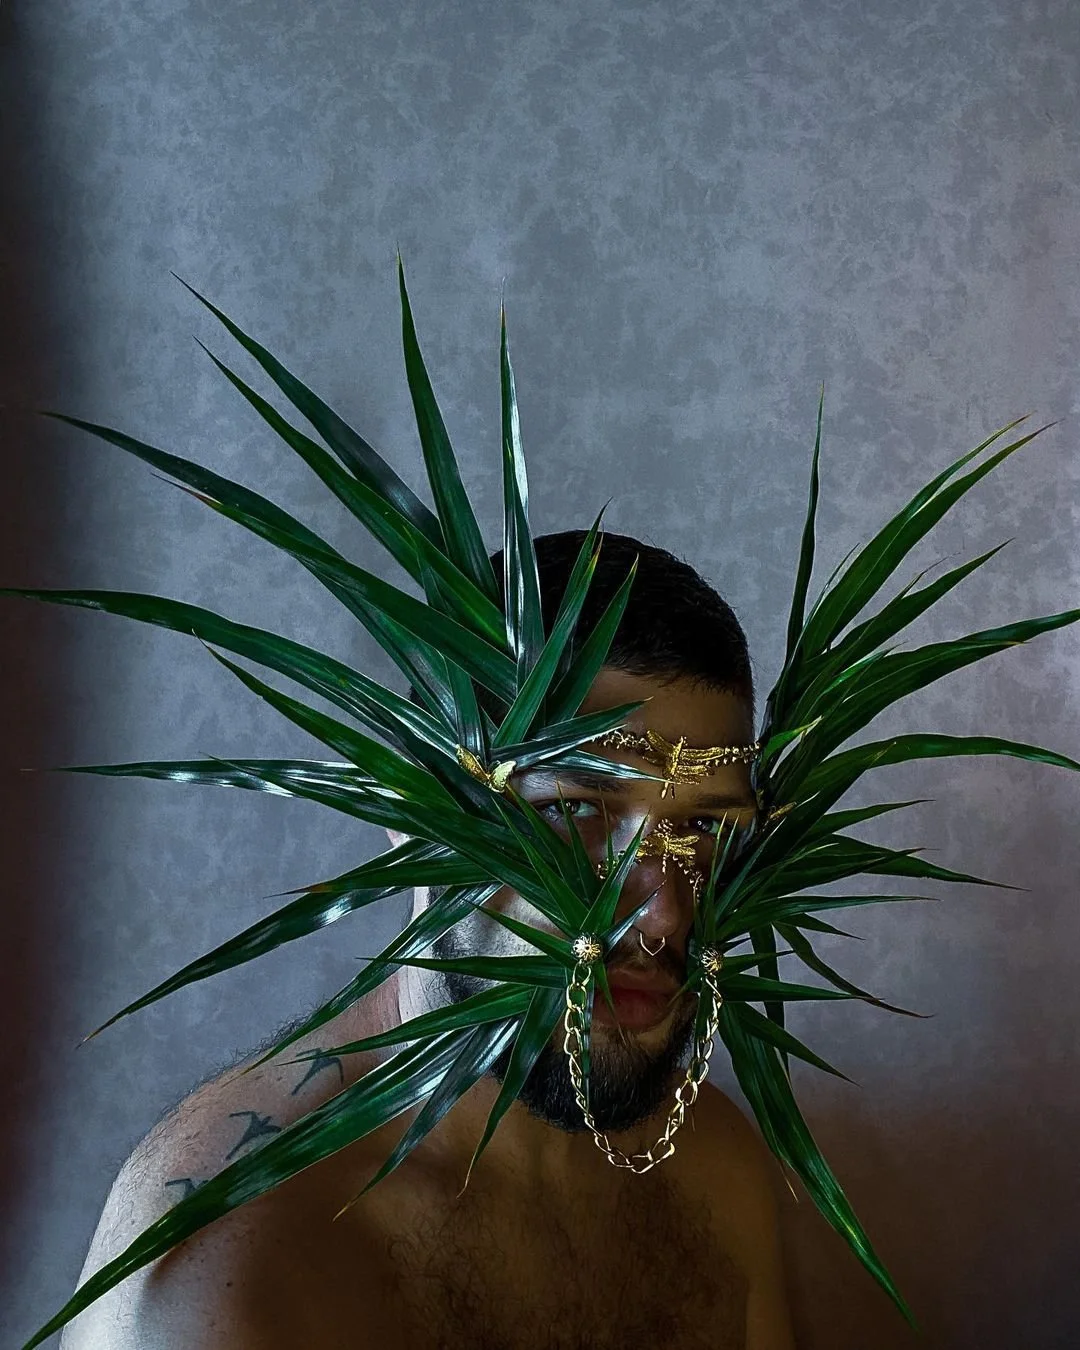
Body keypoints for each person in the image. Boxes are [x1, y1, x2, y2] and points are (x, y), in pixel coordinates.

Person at [60, 532, 798, 1350]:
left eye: (704, 827)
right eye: (573, 810)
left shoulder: (714, 1169)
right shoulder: (236, 1275)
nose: (663, 914)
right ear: (412, 815)